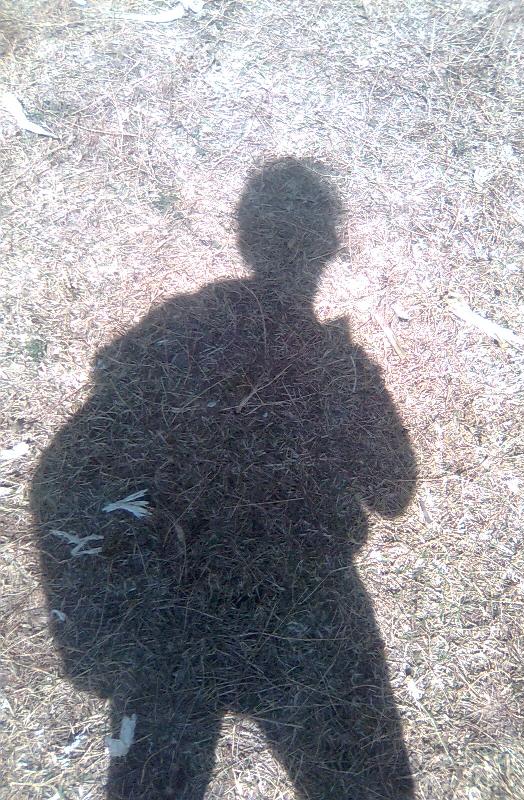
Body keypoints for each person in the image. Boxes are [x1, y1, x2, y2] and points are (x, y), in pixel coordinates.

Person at [31, 157, 417, 798]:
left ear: (243, 236)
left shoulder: (177, 332)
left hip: (173, 599)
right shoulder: (337, 364)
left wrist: (88, 632)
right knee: (364, 785)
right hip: (304, 598)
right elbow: (394, 491)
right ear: (330, 247)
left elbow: (65, 471)